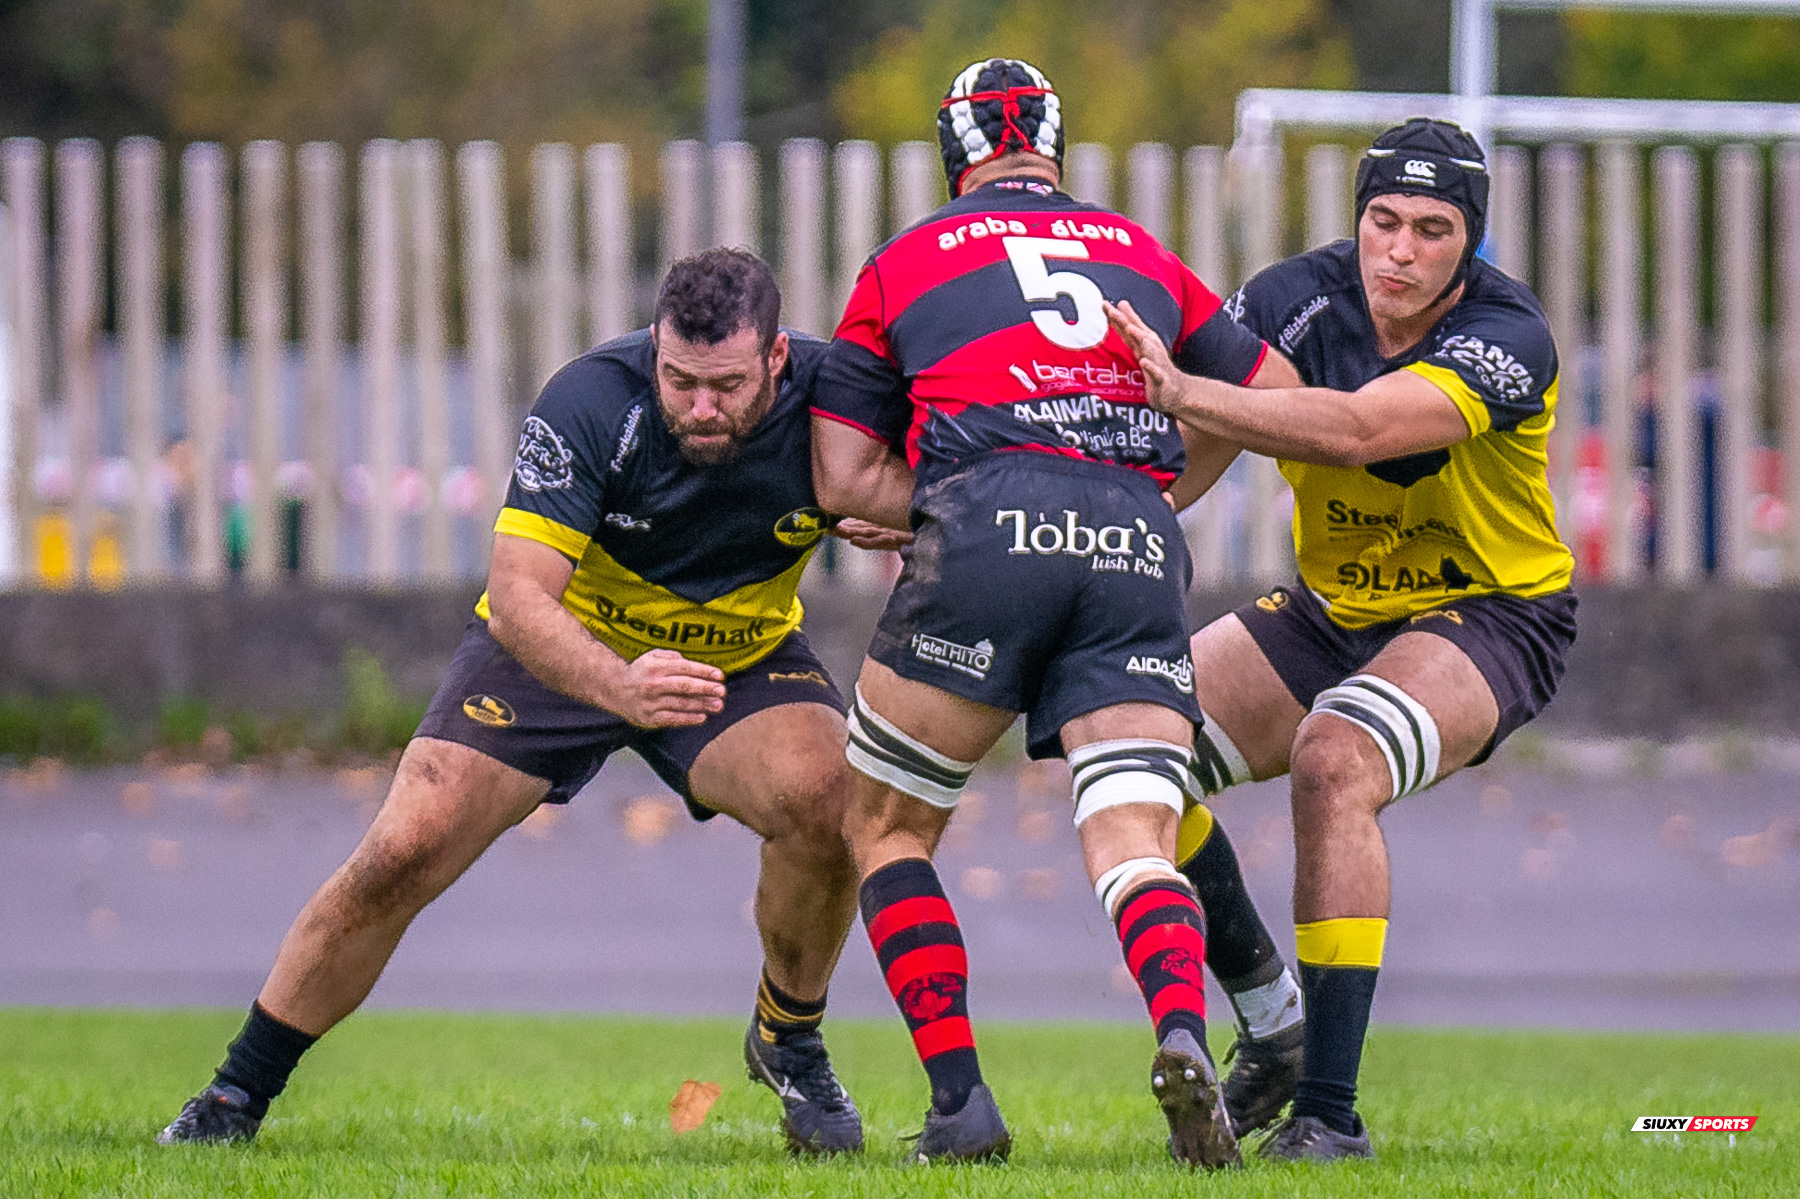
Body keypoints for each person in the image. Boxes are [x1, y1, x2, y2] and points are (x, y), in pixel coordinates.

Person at [158, 248, 902, 1157]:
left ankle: (788, 1038)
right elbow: (516, 598)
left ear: (778, 357)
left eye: (727, 386)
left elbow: (950, 483)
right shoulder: (589, 401)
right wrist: (620, 683)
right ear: (655, 348)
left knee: (831, 805)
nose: (701, 406)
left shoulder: (839, 398)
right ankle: (235, 1091)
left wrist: (905, 514)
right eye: (680, 380)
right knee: (402, 850)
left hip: (736, 655)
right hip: (564, 641)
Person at [810, 57, 1299, 1168]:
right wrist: (1162, 486)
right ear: (1055, 146)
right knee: (1133, 832)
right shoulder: (1138, 251)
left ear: (953, 156)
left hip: (984, 528)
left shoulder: (901, 262)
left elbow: (840, 474)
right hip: (1132, 537)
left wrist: (936, 503)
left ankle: (961, 1103)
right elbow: (1266, 399)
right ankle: (1182, 1026)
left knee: (886, 824)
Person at [1106, 117, 1578, 1162]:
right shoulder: (1292, 299)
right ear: (1358, 218)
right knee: (1130, 745)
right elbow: (1186, 458)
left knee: (1336, 754)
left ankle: (1329, 1112)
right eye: (1383, 221)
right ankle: (1272, 1023)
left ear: (1470, 241)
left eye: (1431, 229)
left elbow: (1363, 430)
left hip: (1493, 611)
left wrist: (1185, 387)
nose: (1400, 251)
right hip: (1334, 609)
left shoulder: (1508, 334)